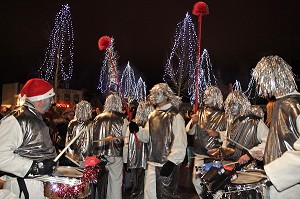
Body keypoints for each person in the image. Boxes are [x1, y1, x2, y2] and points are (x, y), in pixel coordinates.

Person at [252, 55, 300, 198]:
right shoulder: (281, 103)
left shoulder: (293, 105)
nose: (259, 85)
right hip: (279, 184)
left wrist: (272, 171)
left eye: (261, 79)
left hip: (289, 188)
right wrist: (267, 152)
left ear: (272, 77)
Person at [0, 78, 57, 199]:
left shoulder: (35, 118)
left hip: (36, 184)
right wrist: (33, 167)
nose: (52, 102)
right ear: (40, 100)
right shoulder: (16, 120)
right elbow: (1, 156)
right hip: (22, 186)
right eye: (50, 98)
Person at [130, 83, 187, 199]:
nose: (155, 96)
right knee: (149, 194)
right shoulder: (152, 115)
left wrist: (172, 161)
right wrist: (137, 130)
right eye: (153, 93)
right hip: (152, 162)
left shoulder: (175, 116)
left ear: (166, 95)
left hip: (167, 163)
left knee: (166, 196)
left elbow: (180, 141)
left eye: (158, 93)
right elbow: (147, 136)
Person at [186, 86, 226, 198]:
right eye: (205, 95)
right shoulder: (199, 113)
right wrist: (193, 122)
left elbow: (229, 134)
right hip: (199, 154)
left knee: (215, 182)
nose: (205, 97)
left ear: (215, 97)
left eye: (208, 95)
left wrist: (218, 134)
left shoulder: (224, 116)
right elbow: (190, 132)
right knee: (196, 180)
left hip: (215, 155)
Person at [92, 93, 128, 199]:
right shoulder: (123, 119)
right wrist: (126, 159)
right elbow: (126, 139)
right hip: (116, 153)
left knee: (100, 182)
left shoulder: (98, 118)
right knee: (116, 182)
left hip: (99, 153)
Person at [123, 100, 154, 199]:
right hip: (137, 160)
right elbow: (127, 142)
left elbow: (146, 137)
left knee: (144, 185)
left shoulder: (150, 124)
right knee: (138, 185)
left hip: (146, 160)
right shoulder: (134, 124)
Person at [65, 100, 93, 167]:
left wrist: (69, 153)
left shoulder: (72, 123)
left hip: (75, 154)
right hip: (88, 155)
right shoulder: (91, 124)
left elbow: (68, 139)